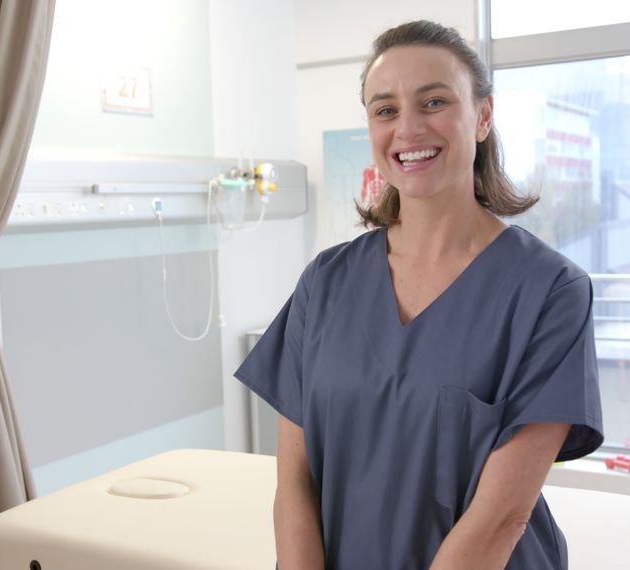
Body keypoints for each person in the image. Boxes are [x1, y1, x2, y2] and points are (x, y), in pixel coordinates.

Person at [234, 20, 604, 569]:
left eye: (433, 101)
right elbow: (294, 485)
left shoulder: (550, 290)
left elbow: (503, 516)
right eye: (385, 110)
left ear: (481, 117)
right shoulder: (326, 281)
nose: (407, 128)